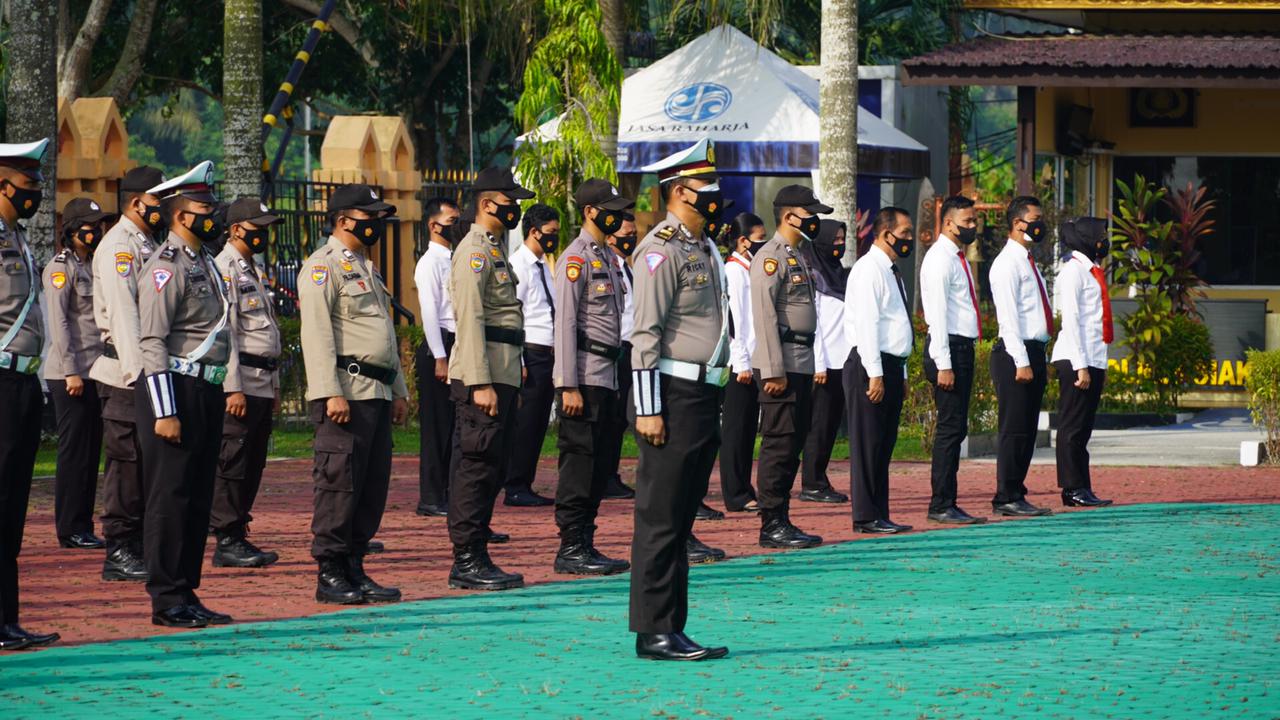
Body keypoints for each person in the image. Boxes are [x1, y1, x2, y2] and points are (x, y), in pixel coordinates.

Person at [629, 138, 730, 661]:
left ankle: (673, 625)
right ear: (679, 192)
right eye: (706, 188)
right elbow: (644, 333)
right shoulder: (660, 250)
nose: (716, 196)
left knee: (682, 519)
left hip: (702, 392)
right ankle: (653, 631)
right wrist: (647, 409)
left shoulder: (701, 246)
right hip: (671, 392)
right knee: (661, 517)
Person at [135, 161, 236, 628]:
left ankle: (187, 589)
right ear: (180, 215)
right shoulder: (165, 267)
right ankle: (166, 597)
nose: (212, 212)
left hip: (206, 389)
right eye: (203, 206)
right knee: (170, 496)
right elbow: (152, 340)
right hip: (174, 389)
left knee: (197, 495)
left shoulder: (205, 263)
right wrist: (164, 410)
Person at [300, 184, 409, 604]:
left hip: (376, 391)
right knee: (339, 484)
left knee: (370, 486)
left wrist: (397, 389)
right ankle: (330, 571)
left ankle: (355, 566)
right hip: (346, 391)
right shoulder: (322, 267)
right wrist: (330, 392)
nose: (377, 224)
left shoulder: (366, 267)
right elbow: (317, 334)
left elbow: (383, 333)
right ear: (345, 221)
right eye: (370, 217)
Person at [446, 167, 533, 591]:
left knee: (491, 467)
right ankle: (467, 558)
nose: (515, 207)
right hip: (482, 377)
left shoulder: (495, 249)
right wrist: (481, 383)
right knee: (475, 468)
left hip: (501, 373)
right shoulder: (474, 252)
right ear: (487, 203)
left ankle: (477, 551)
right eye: (509, 200)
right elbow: (471, 319)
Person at [549, 179, 635, 575]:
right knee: (580, 465)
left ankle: (587, 541)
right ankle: (571, 547)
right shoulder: (576, 258)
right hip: (583, 375)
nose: (616, 215)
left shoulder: (607, 257)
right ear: (590, 211)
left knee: (600, 465)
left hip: (608, 374)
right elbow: (565, 323)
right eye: (609, 208)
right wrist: (566, 384)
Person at [91, 165, 166, 583]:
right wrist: (145, 377)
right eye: (159, 202)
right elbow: (125, 316)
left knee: (146, 464)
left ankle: (138, 543)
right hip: (125, 372)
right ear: (137, 203)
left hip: (145, 370)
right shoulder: (120, 246)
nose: (165, 209)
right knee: (126, 463)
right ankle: (119, 548)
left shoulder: (147, 242)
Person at [0, 138, 61, 650]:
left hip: (20, 382)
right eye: (27, 185)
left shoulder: (17, 237)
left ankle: (7, 619)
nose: (35, 193)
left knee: (12, 505)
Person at [748, 185, 829, 549]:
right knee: (779, 444)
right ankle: (771, 522)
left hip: (801, 359)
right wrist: (772, 370)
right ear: (789, 216)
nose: (815, 221)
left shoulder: (797, 255)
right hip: (781, 362)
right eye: (810, 214)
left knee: (793, 442)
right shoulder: (771, 256)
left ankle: (782, 516)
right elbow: (765, 317)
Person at [210, 198, 284, 568]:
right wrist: (232, 387)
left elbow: (268, 329)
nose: (265, 234)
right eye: (260, 227)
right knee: (233, 462)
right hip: (243, 383)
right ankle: (227, 537)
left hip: (262, 380)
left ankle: (238, 530)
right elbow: (228, 334)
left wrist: (275, 385)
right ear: (237, 228)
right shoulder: (224, 268)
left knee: (253, 462)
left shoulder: (253, 268)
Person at [844, 207, 916, 535]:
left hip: (889, 364)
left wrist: (898, 374)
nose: (910, 239)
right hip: (869, 363)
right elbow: (867, 325)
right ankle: (865, 516)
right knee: (868, 444)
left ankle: (879, 512)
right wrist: (875, 373)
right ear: (886, 234)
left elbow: (894, 325)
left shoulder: (889, 269)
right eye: (905, 233)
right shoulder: (868, 269)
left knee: (884, 444)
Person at [46, 198, 111, 550]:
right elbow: (59, 324)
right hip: (70, 374)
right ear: (72, 231)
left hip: (94, 371)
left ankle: (83, 524)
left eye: (99, 224)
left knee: (90, 453)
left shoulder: (93, 265)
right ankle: (70, 527)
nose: (96, 230)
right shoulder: (61, 268)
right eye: (89, 225)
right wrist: (71, 371)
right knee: (74, 453)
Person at [919, 196, 986, 525]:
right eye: (967, 221)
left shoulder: (957, 257)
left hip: (961, 348)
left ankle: (948, 500)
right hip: (948, 349)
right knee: (949, 430)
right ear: (948, 223)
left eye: (975, 220)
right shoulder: (939, 260)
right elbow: (938, 317)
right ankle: (941, 503)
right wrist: (943, 363)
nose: (973, 226)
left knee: (956, 428)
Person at [989, 196, 1054, 517]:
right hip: (1016, 354)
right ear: (1018, 224)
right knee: (1015, 428)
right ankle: (1006, 495)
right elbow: (1009, 318)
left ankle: (1017, 490)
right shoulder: (1006, 263)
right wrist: (1021, 360)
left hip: (1033, 351)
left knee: (1027, 428)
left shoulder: (1029, 261)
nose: (1042, 224)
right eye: (1036, 218)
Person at [1051, 217, 1114, 508]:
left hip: (1092, 357)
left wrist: (1098, 363)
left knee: (1083, 428)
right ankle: (1072, 488)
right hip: (1076, 359)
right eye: (1100, 235)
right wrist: (1081, 365)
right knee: (1072, 427)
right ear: (1086, 238)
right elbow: (1072, 321)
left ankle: (1082, 486)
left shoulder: (1093, 271)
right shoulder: (1073, 272)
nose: (1104, 240)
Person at [503, 203, 560, 508]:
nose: (554, 238)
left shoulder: (543, 264)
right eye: (550, 233)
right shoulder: (519, 266)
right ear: (534, 231)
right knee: (526, 422)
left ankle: (524, 481)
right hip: (531, 352)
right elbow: (515, 314)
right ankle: (515, 484)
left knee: (538, 423)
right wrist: (521, 360)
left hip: (547, 353)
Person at [414, 196, 462, 517]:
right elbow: (430, 312)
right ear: (434, 225)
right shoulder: (429, 263)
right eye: (451, 222)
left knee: (455, 425)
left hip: (456, 343)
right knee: (437, 427)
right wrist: (440, 356)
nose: (457, 227)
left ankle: (447, 490)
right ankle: (431, 497)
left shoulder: (454, 258)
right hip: (440, 345)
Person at [798, 219, 852, 505]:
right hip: (824, 362)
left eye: (842, 239)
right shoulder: (814, 276)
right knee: (818, 424)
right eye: (835, 239)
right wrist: (817, 363)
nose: (839, 245)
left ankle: (819, 478)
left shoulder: (839, 275)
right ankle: (812, 482)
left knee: (830, 424)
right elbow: (814, 324)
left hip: (842, 359)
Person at [719, 212, 765, 513]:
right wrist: (742, 362)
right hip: (741, 364)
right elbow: (734, 320)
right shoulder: (734, 271)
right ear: (742, 241)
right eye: (759, 239)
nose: (763, 244)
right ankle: (734, 492)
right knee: (736, 430)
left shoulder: (751, 269)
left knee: (749, 429)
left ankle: (744, 486)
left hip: (755, 358)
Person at [599, 212, 638, 501]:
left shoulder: (627, 267)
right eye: (627, 233)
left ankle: (611, 474)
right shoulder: (610, 267)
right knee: (612, 418)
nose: (632, 238)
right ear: (611, 236)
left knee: (623, 419)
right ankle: (605, 476)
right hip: (619, 347)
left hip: (633, 347)